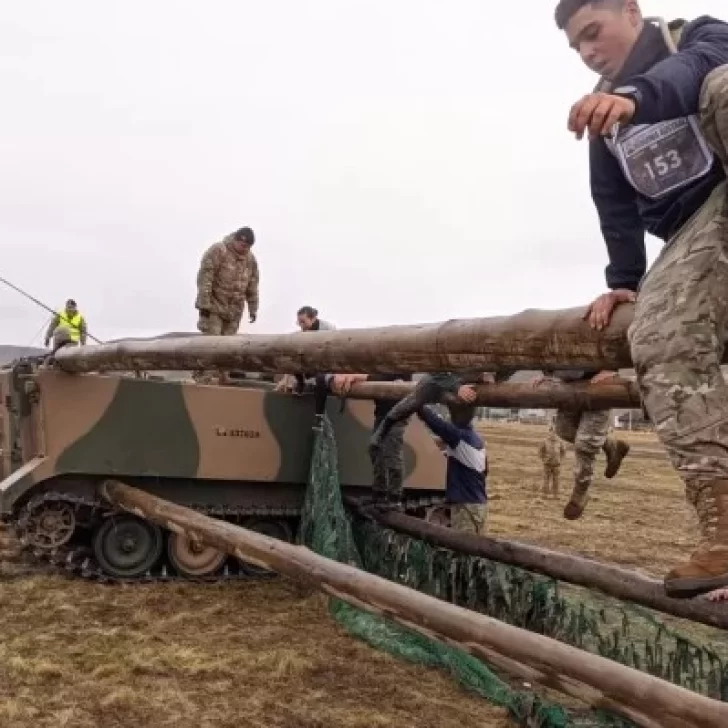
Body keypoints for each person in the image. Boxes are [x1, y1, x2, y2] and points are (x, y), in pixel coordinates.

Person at [554, 0, 728, 597]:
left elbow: (698, 68)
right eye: (577, 46)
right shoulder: (605, 116)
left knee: (725, 83)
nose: (588, 51)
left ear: (631, 11)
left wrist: (634, 98)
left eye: (593, 32)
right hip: (698, 232)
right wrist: (624, 279)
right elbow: (616, 205)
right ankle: (724, 529)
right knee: (656, 336)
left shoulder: (694, 39)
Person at [534, 369, 630, 518]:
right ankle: (611, 445)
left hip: (598, 381)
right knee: (563, 429)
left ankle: (580, 493)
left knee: (585, 444)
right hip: (569, 383)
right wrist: (549, 372)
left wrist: (611, 367)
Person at [331, 371, 413, 508]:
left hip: (397, 414)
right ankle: (379, 494)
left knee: (392, 454)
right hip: (383, 414)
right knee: (375, 450)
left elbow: (383, 376)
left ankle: (394, 498)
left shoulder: (400, 363)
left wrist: (354, 376)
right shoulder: (381, 364)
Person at [194, 226, 259, 383]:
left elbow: (252, 284)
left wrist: (253, 308)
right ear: (237, 239)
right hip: (214, 307)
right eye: (243, 245)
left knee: (229, 347)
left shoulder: (250, 260)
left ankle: (223, 376)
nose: (245, 249)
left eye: (248, 247)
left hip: (234, 311)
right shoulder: (219, 250)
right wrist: (204, 305)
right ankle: (204, 377)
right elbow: (205, 278)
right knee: (210, 345)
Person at [417, 401, 488, 535]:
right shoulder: (476, 439)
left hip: (465, 506)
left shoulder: (458, 437)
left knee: (462, 548)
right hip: (479, 504)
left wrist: (417, 403)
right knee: (476, 548)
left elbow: (436, 423)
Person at [275, 307, 337, 393]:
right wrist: (285, 379)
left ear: (313, 318)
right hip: (311, 363)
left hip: (326, 364)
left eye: (303, 322)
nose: (301, 325)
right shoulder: (303, 332)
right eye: (299, 322)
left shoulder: (328, 329)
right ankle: (301, 384)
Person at [539, 425, 566, 497]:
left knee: (556, 480)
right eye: (551, 432)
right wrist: (543, 460)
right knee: (546, 479)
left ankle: (556, 494)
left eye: (555, 432)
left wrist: (561, 460)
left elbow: (563, 452)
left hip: (556, 464)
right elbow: (541, 452)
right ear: (549, 432)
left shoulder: (560, 442)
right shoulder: (544, 441)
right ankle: (544, 494)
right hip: (547, 464)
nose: (553, 434)